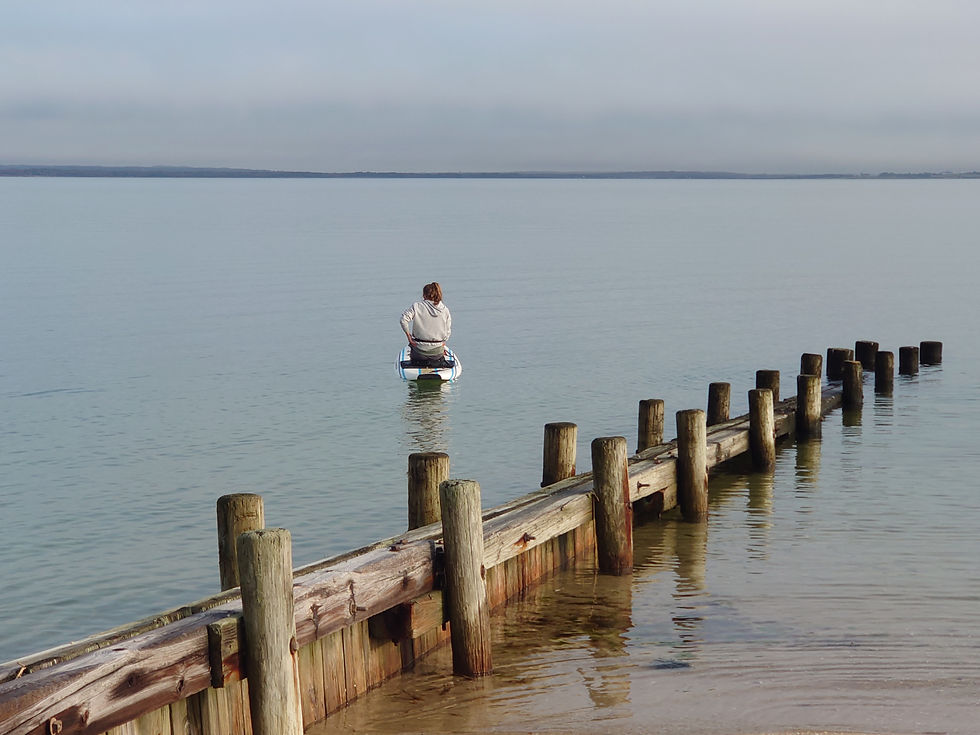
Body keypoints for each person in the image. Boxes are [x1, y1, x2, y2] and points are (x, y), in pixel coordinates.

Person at [400, 282, 452, 367]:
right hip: (437, 355)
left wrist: (409, 337)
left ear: (424, 295)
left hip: (418, 354)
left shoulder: (416, 306)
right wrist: (442, 343)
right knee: (439, 352)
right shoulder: (445, 310)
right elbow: (447, 333)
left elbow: (403, 320)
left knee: (417, 352)